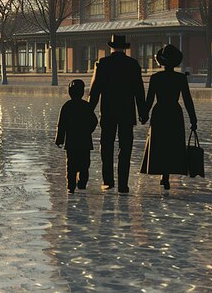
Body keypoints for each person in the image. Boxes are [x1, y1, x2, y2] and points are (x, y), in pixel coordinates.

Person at [88, 34, 147, 194]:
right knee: (125, 147)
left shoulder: (102, 64)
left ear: (111, 47)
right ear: (125, 48)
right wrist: (143, 112)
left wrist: (88, 110)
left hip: (108, 111)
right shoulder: (133, 65)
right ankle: (123, 184)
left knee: (106, 146)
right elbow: (139, 91)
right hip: (127, 112)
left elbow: (95, 91)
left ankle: (108, 181)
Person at [140, 44, 197, 191]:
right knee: (172, 144)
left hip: (160, 112)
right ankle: (166, 175)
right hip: (174, 112)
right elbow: (187, 100)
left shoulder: (155, 78)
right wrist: (193, 119)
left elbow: (150, 99)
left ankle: (163, 174)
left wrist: (144, 115)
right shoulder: (180, 78)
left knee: (160, 143)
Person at [56, 79, 98, 194]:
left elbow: (62, 125)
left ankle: (71, 185)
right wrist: (88, 131)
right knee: (85, 164)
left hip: (71, 142)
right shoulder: (87, 106)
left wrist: (59, 139)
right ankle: (82, 183)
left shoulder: (67, 106)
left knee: (71, 165)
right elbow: (94, 121)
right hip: (85, 141)